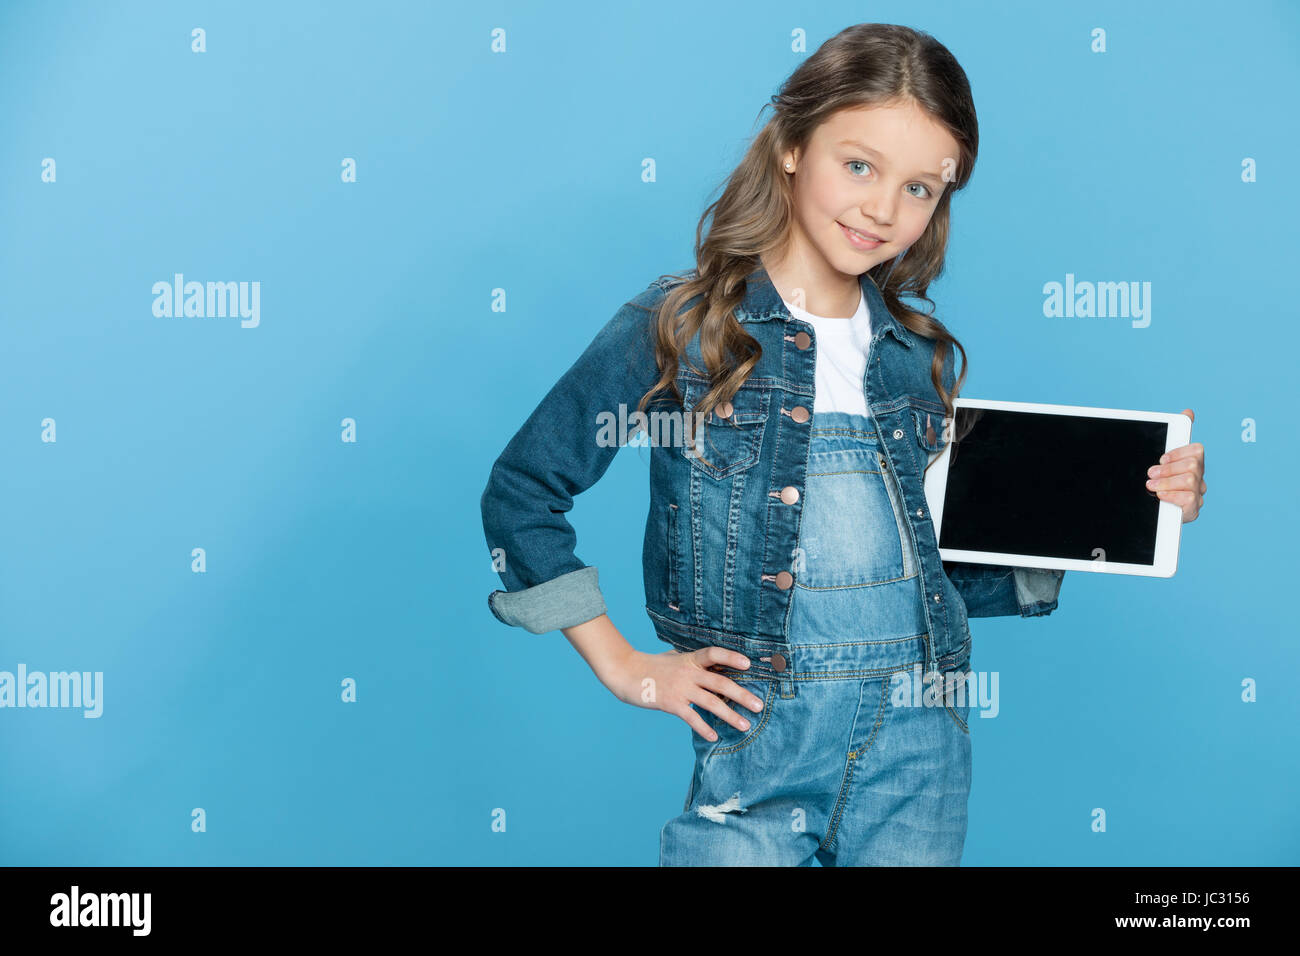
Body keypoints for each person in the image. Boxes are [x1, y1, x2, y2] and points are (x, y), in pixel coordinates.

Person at [479, 23, 1207, 866]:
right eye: (859, 165)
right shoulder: (686, 327)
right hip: (762, 736)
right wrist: (629, 668)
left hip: (921, 742)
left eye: (921, 189)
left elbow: (932, 569)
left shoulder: (917, 359)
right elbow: (524, 490)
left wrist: (1133, 505)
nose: (881, 210)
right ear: (791, 144)